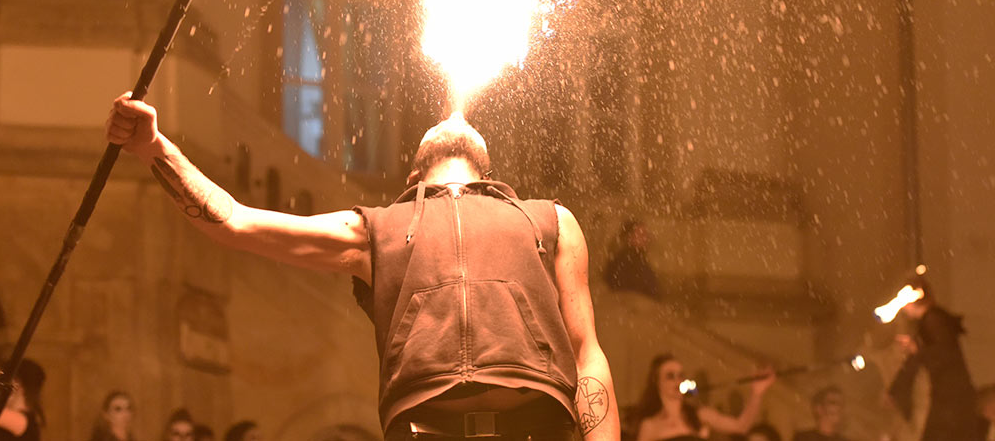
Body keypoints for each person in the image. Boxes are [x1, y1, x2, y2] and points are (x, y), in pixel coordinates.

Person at [106, 96, 619, 441]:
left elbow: (586, 353)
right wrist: (155, 147)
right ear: (412, 175)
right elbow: (235, 221)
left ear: (491, 173)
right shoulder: (379, 231)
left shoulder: (550, 221)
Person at [886, 276, 981, 441]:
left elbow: (944, 354)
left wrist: (917, 349)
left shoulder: (933, 319)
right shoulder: (930, 322)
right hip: (949, 398)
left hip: (952, 400)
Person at [632, 353, 774, 441]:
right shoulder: (650, 426)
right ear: (657, 382)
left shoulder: (700, 415)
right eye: (670, 376)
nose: (677, 380)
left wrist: (757, 393)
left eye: (680, 375)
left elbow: (741, 426)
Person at [603, 219, 659, 299]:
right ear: (629, 237)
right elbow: (622, 289)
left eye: (645, 234)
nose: (645, 238)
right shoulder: (624, 261)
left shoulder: (638, 258)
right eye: (641, 234)